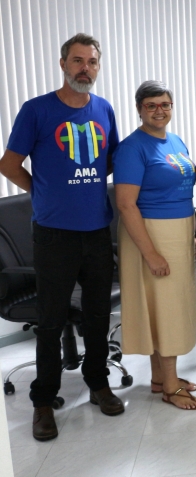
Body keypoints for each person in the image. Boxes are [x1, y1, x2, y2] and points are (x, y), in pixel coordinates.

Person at [0, 33, 124, 440]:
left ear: (97, 67)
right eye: (76, 60)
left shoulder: (104, 109)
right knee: (51, 321)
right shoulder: (36, 110)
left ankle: (98, 384)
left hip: (96, 231)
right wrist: (42, 188)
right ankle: (43, 399)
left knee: (97, 315)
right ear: (62, 64)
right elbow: (9, 163)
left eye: (91, 62)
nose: (84, 67)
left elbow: (109, 162)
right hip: (54, 235)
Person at [114, 80, 196, 410]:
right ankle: (170, 386)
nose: (159, 110)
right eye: (151, 105)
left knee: (165, 306)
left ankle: (159, 378)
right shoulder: (132, 147)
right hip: (150, 233)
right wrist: (150, 253)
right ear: (139, 109)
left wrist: (189, 237)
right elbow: (126, 204)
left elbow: (178, 190)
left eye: (165, 104)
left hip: (177, 231)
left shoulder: (175, 140)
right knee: (167, 310)